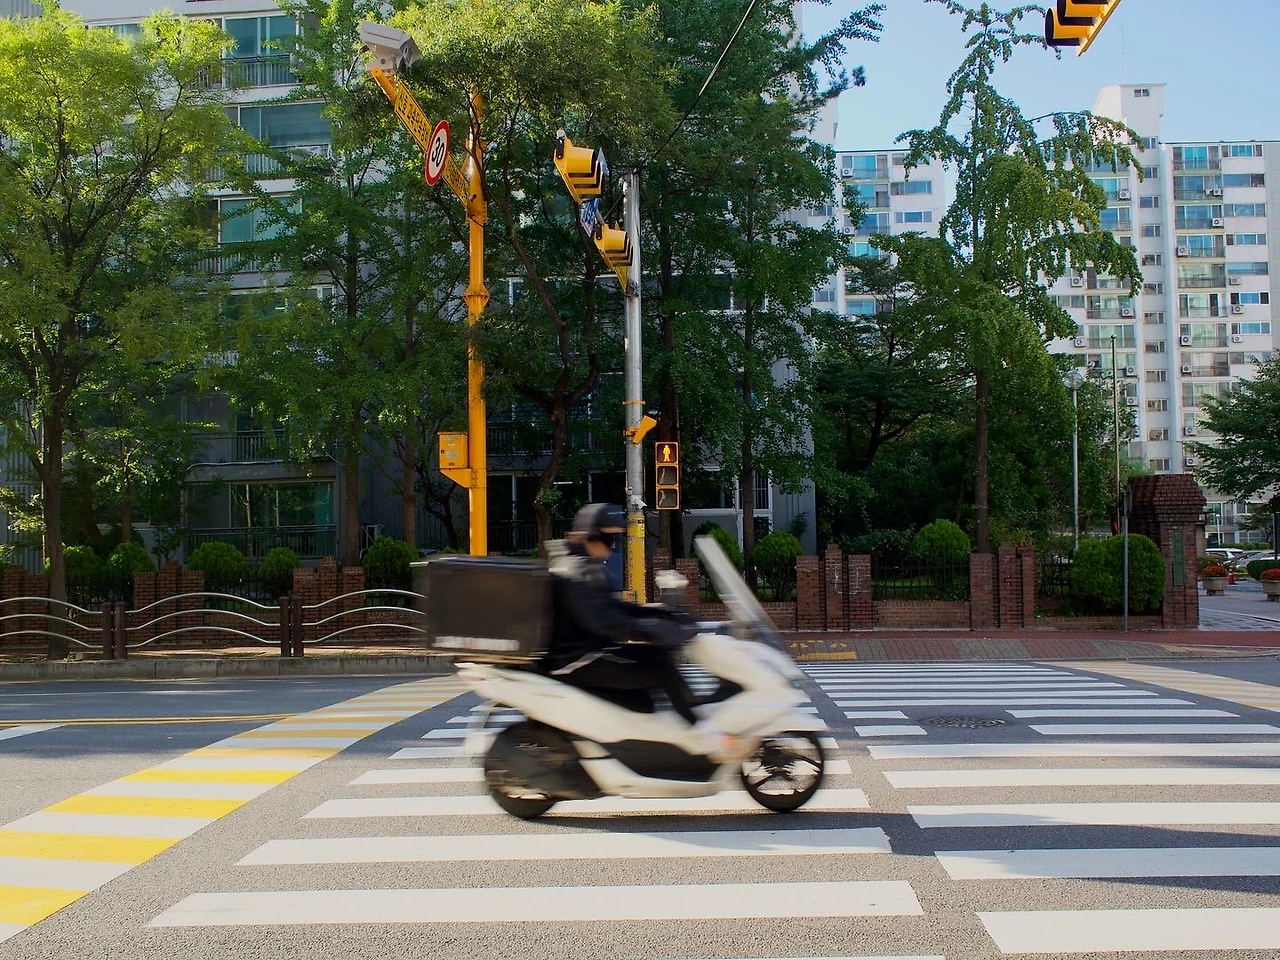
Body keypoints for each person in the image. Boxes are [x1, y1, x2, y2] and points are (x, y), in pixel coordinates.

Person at [543, 503, 699, 724]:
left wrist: (660, 615)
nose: (614, 544)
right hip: (581, 661)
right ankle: (701, 731)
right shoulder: (577, 571)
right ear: (593, 535)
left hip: (593, 651)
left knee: (656, 663)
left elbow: (614, 608)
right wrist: (647, 628)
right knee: (662, 671)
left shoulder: (585, 565)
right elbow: (602, 621)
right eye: (610, 537)